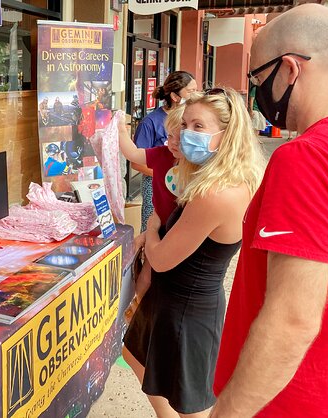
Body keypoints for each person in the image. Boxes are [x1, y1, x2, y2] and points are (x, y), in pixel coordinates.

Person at [212, 5, 328, 417]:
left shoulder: (308, 158)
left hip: (286, 402)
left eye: (258, 78)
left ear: (289, 70)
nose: (259, 94)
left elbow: (292, 320)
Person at [122, 87, 265, 417]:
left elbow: (160, 258)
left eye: (198, 126)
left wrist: (152, 228)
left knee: (189, 404)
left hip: (188, 311)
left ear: (226, 134)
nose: (186, 134)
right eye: (184, 125)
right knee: (139, 361)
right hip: (173, 300)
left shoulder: (217, 193)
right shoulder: (211, 178)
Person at [117, 105, 185, 322]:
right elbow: (132, 153)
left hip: (180, 231)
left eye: (180, 138)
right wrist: (119, 129)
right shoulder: (162, 155)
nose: (173, 143)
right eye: (170, 136)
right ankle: (138, 309)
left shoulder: (198, 167)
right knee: (146, 273)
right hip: (159, 226)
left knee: (165, 275)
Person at [133, 71, 197, 234]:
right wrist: (165, 174)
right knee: (153, 229)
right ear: (175, 96)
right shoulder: (150, 122)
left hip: (185, 182)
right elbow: (136, 162)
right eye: (191, 92)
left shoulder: (192, 120)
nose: (196, 95)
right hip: (156, 185)